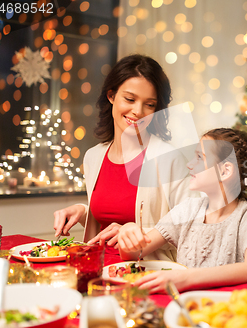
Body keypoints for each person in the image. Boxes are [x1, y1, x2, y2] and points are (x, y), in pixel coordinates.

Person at [53, 54, 194, 260]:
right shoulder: (93, 157)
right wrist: (84, 212)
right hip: (97, 268)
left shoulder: (168, 158)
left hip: (145, 274)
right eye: (130, 99)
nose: (138, 111)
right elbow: (107, 223)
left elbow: (191, 227)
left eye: (150, 104)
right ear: (111, 96)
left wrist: (135, 234)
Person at [117, 128, 247, 293]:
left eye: (199, 158)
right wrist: (127, 233)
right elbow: (133, 255)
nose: (189, 164)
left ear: (224, 171)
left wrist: (187, 278)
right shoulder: (188, 209)